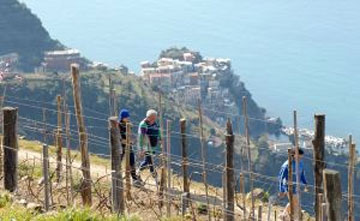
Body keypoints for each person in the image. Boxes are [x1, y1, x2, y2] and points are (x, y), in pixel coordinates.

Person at [278, 148, 308, 220]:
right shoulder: (287, 165)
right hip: (288, 187)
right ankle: (287, 216)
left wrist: (305, 183)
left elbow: (302, 174)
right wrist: (281, 190)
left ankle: (284, 215)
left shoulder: (300, 163)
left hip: (296, 187)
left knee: (294, 202)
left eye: (301, 157)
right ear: (293, 155)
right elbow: (281, 178)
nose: (300, 158)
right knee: (295, 202)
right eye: (298, 157)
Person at [118, 109, 143, 187]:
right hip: (121, 146)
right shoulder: (118, 125)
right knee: (118, 161)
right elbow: (119, 138)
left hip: (129, 146)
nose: (127, 118)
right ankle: (116, 176)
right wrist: (128, 141)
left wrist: (132, 140)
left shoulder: (128, 125)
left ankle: (134, 179)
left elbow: (130, 135)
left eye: (128, 117)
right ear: (122, 117)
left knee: (132, 162)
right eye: (126, 117)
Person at [137, 109, 162, 181]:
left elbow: (158, 130)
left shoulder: (154, 123)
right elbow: (142, 137)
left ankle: (137, 172)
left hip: (153, 146)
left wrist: (160, 140)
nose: (154, 120)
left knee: (147, 161)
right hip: (146, 146)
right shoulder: (143, 124)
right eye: (152, 118)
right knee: (151, 162)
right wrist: (141, 149)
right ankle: (156, 178)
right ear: (148, 117)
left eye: (155, 118)